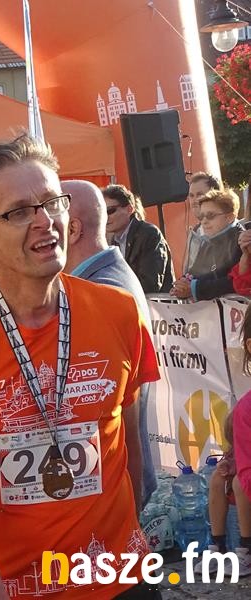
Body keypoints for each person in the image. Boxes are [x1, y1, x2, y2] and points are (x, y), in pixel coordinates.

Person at [0, 134, 161, 599]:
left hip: (121, 582)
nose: (45, 221)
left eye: (51, 203)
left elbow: (129, 446)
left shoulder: (120, 312)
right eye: (19, 212)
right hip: (16, 588)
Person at [63, 179, 156, 508]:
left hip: (111, 486)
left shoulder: (103, 290)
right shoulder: (101, 278)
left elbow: (102, 399)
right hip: (110, 480)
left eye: (48, 218)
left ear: (72, 229)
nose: (38, 231)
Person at [195, 303, 251, 578]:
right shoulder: (245, 410)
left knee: (239, 482)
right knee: (220, 478)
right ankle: (221, 546)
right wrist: (232, 462)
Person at [171, 189, 243, 301]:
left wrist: (195, 288)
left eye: (210, 215)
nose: (204, 221)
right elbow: (194, 273)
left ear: (229, 217)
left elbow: (236, 282)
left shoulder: (242, 241)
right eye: (201, 216)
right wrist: (182, 285)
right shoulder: (208, 242)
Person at [102, 184, 174, 294]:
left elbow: (151, 284)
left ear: (129, 209)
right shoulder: (112, 242)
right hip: (133, 301)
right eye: (102, 212)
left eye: (110, 211)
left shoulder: (149, 234)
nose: (106, 217)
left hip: (154, 303)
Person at [183, 172, 221, 273]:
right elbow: (189, 273)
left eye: (199, 195)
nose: (194, 200)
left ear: (215, 195)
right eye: (191, 196)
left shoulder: (228, 230)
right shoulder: (195, 232)